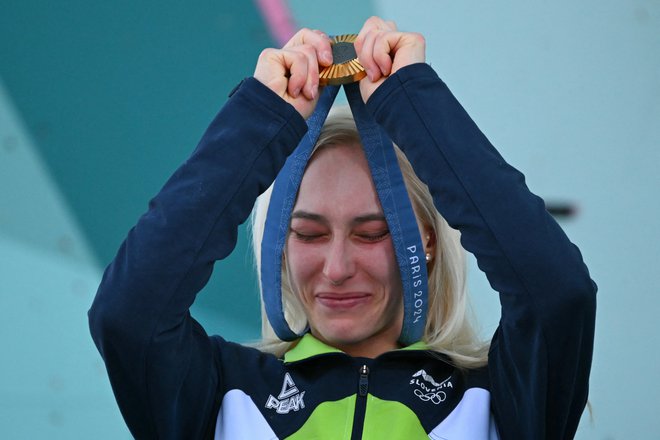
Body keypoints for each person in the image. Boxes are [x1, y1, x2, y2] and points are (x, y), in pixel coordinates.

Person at [89, 16, 596, 439]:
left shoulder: (495, 398)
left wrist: (412, 103)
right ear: (278, 248)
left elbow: (557, 293)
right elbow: (128, 314)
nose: (336, 268)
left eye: (372, 232)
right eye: (308, 234)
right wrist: (262, 117)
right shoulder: (222, 393)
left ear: (426, 242)